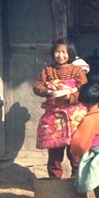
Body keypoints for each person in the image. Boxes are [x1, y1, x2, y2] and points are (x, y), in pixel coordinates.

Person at [33, 37, 89, 178]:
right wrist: (47, 91)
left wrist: (69, 97)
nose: (61, 55)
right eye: (58, 52)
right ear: (53, 53)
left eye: (64, 52)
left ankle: (76, 180)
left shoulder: (77, 71)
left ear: (70, 53)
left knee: (74, 152)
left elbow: (84, 90)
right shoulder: (48, 70)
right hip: (54, 117)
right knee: (54, 154)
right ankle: (55, 183)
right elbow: (37, 85)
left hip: (74, 117)